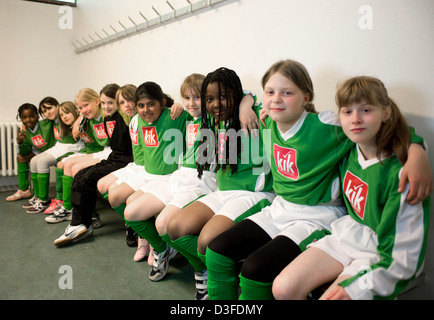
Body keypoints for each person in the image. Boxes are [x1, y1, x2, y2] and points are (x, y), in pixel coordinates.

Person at [205, 59, 432, 300]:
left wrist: (417, 152)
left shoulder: (331, 127)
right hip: (283, 209)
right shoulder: (266, 118)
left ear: (306, 97)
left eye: (287, 92)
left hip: (316, 216)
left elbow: (392, 129)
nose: (355, 119)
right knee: (216, 252)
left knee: (255, 270)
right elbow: (244, 94)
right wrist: (246, 104)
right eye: (270, 92)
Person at [272, 76, 431, 300]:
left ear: (386, 113)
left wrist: (417, 152)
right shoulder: (349, 146)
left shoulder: (403, 174)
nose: (355, 119)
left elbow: (403, 259)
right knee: (282, 287)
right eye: (347, 112)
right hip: (347, 235)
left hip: (383, 253)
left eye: (366, 110)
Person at [166, 67, 274, 299]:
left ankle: (226, 281)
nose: (216, 104)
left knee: (207, 241)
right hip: (223, 192)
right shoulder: (212, 122)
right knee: (174, 227)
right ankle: (225, 272)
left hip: (255, 194)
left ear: (236, 94)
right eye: (210, 99)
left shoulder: (254, 114)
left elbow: (254, 96)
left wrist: (247, 103)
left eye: (223, 97)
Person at [53, 83, 134, 246]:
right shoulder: (108, 117)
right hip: (114, 157)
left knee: (86, 178)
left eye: (110, 103)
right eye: (103, 103)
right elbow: (89, 115)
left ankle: (80, 224)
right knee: (81, 176)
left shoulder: (124, 116)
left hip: (124, 160)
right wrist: (79, 119)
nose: (106, 106)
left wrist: (169, 102)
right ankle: (81, 224)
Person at [47, 87, 112, 223]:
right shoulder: (90, 118)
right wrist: (80, 118)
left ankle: (89, 214)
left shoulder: (105, 116)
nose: (84, 110)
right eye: (80, 108)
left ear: (97, 101)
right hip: (102, 151)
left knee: (75, 167)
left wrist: (80, 118)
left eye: (86, 105)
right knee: (67, 163)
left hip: (109, 153)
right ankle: (67, 206)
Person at [26, 101, 84, 214]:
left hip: (72, 148)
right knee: (34, 161)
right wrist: (24, 126)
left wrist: (77, 121)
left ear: (57, 106)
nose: (48, 113)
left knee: (42, 162)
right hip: (59, 146)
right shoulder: (52, 121)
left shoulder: (68, 116)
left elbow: (80, 113)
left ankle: (44, 200)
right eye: (44, 111)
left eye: (49, 108)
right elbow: (38, 124)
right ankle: (38, 197)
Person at [6, 101, 56, 202]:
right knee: (20, 158)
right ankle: (24, 190)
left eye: (31, 116)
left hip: (55, 151)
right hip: (41, 152)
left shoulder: (46, 123)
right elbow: (24, 152)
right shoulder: (24, 130)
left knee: (52, 163)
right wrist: (20, 141)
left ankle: (57, 196)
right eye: (24, 117)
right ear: (20, 118)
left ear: (37, 115)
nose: (28, 120)